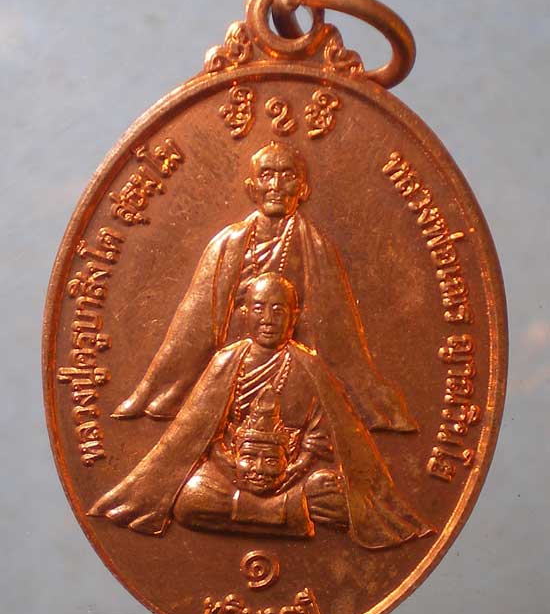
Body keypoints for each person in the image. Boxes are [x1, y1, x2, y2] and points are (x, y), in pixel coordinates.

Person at [89, 274, 433, 549]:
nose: (268, 319)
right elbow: (201, 431)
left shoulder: (309, 367)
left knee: (335, 494)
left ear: (294, 317)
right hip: (232, 474)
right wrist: (232, 467)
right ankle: (288, 515)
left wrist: (294, 470)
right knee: (189, 498)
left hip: (291, 475)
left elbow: (322, 435)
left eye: (278, 310)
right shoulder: (226, 362)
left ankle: (273, 510)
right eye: (259, 308)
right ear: (244, 314)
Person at [112, 140, 417, 433]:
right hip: (233, 368)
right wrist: (150, 387)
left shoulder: (316, 247)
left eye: (287, 176)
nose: (275, 186)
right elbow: (192, 325)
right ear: (251, 188)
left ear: (303, 189)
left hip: (293, 369)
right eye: (267, 175)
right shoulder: (227, 244)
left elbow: (336, 331)